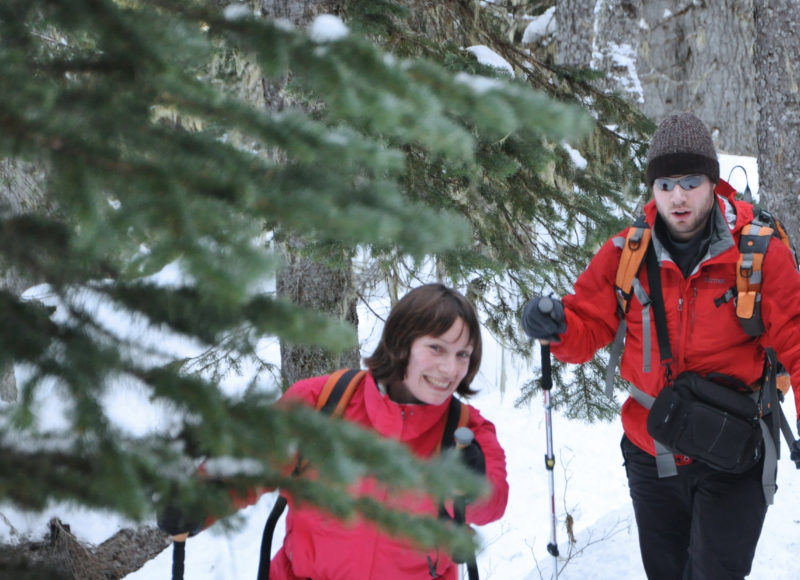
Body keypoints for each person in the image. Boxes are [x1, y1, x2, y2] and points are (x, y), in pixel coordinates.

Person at [521, 112, 800, 579]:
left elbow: (795, 333)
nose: (678, 196)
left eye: (691, 181)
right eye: (666, 184)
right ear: (652, 190)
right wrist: (556, 326)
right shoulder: (626, 253)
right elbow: (587, 324)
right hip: (651, 449)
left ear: (713, 183)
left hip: (735, 448)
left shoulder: (757, 253)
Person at [160, 283, 509, 580]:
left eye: (463, 354)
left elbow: (491, 505)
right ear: (402, 343)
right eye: (437, 348)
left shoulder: (466, 430)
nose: (450, 369)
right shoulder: (322, 403)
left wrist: (471, 484)